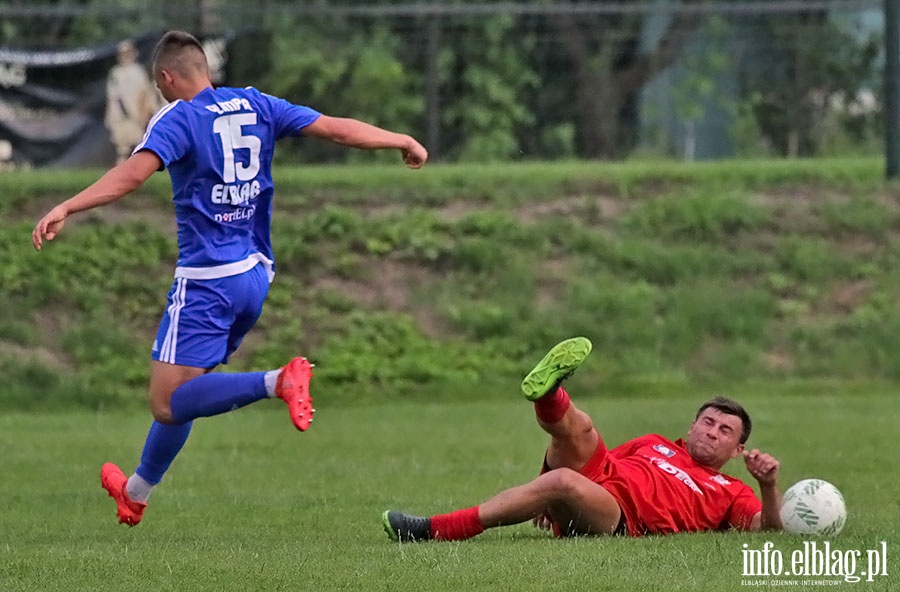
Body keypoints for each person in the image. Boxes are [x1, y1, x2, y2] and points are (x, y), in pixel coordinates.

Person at [32, 30, 428, 527]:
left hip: (206, 280)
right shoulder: (255, 103)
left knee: (167, 401)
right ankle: (135, 492)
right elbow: (335, 128)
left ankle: (277, 381)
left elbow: (131, 175)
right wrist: (400, 139)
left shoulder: (178, 116)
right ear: (206, 70)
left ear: (166, 78)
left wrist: (68, 204)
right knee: (189, 388)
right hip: (254, 277)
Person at [383, 337, 782, 542]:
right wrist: (545, 497)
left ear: (737, 450)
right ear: (691, 425)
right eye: (707, 422)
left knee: (563, 483)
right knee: (583, 429)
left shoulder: (730, 490)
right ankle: (548, 393)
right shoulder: (655, 442)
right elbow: (574, 456)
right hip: (602, 478)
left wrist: (768, 485)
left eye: (724, 430)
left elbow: (767, 530)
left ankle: (435, 529)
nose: (712, 431)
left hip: (621, 517)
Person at [105, 40, 160, 164]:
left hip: (136, 115)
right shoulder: (115, 73)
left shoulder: (138, 71)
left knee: (137, 146)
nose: (125, 56)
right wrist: (111, 116)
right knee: (122, 149)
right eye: (123, 53)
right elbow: (113, 97)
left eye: (128, 53)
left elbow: (145, 93)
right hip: (120, 116)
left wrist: (145, 113)